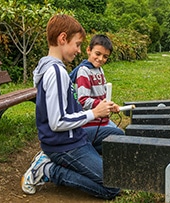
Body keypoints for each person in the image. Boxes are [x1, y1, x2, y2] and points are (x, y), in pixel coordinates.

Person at [20, 14, 120, 200]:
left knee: (115, 136)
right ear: (63, 38)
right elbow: (57, 122)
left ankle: (71, 162)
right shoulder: (56, 72)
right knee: (113, 186)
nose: (79, 50)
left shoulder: (50, 66)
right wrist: (94, 113)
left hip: (73, 136)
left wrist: (100, 109)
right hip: (64, 145)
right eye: (78, 44)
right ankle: (49, 170)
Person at [69, 34, 124, 154]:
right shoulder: (83, 71)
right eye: (97, 54)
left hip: (102, 121)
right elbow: (83, 100)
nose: (100, 59)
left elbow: (103, 97)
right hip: (89, 123)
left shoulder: (99, 70)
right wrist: (102, 105)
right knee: (119, 139)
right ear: (88, 50)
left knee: (122, 140)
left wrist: (109, 105)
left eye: (105, 57)